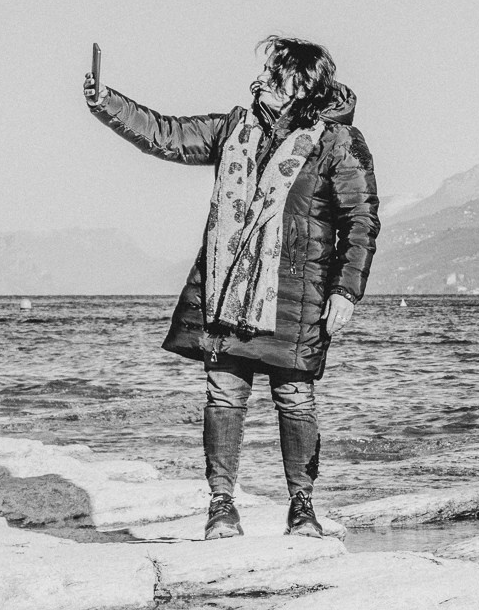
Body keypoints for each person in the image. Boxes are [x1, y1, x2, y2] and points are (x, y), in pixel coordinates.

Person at [86, 37, 379, 539]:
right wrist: (105, 101)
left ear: (302, 82)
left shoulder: (338, 142)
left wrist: (346, 290)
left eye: (275, 72)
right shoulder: (233, 129)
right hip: (227, 290)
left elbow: (361, 221)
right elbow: (165, 134)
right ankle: (221, 507)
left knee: (295, 398)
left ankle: (302, 508)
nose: (262, 78)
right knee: (223, 394)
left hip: (299, 294)